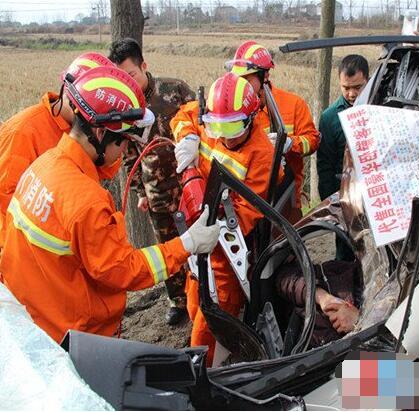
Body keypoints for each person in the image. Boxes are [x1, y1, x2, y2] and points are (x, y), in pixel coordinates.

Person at [0, 65, 219, 343]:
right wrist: (187, 244)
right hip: (72, 336)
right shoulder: (85, 200)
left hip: (38, 320)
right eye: (125, 142)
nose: (126, 152)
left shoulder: (43, 165)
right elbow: (122, 270)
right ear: (101, 134)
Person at [171, 72, 278, 366]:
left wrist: (212, 231)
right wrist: (188, 135)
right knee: (194, 305)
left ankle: (206, 372)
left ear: (250, 118)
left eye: (231, 127)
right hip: (198, 236)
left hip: (224, 251)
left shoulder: (262, 155)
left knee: (209, 325)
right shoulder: (213, 118)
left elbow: (248, 212)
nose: (221, 136)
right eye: (215, 126)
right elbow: (182, 116)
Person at [108, 38, 196, 326]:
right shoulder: (126, 107)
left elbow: (200, 125)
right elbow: (128, 154)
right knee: (166, 245)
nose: (128, 83)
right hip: (155, 191)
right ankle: (178, 301)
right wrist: (138, 192)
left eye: (131, 75)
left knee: (197, 240)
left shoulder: (175, 91)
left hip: (189, 185)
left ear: (144, 66)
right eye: (122, 78)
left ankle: (204, 294)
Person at [0, 52, 118, 254]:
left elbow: (103, 171)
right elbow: (6, 203)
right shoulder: (23, 132)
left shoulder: (87, 135)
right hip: (26, 254)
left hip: (67, 248)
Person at [227, 41, 320, 223]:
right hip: (246, 200)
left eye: (247, 79)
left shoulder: (293, 104)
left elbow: (313, 140)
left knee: (287, 249)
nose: (241, 85)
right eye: (238, 79)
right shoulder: (234, 107)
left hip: (286, 199)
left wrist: (289, 143)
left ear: (265, 76)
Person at [317, 54, 369, 261]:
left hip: (373, 195)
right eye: (345, 88)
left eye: (357, 87)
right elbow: (325, 166)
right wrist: (334, 208)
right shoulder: (330, 118)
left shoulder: (378, 108)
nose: (351, 93)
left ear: (368, 80)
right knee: (346, 255)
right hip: (347, 200)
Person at [276, 259, 360, 348]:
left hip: (314, 356)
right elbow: (283, 277)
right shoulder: (345, 271)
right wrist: (322, 297)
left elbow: (371, 360)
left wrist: (359, 323)